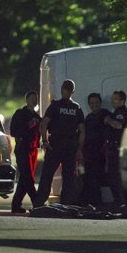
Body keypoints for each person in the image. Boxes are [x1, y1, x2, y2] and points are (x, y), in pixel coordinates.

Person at [34, 79, 85, 207]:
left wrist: (45, 141)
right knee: (65, 177)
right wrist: (79, 148)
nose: (66, 91)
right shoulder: (76, 108)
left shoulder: (57, 106)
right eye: (66, 89)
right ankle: (66, 204)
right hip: (66, 146)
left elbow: (44, 124)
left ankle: (40, 203)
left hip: (59, 145)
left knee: (51, 175)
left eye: (67, 89)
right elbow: (82, 131)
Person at [9, 91, 41, 213]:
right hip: (22, 149)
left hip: (33, 151)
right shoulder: (20, 114)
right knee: (28, 177)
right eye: (32, 98)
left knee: (25, 178)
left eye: (36, 99)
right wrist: (28, 125)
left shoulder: (37, 117)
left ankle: (16, 205)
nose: (35, 100)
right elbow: (13, 131)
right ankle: (37, 202)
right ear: (27, 100)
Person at [79, 92, 110, 206]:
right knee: (87, 178)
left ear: (100, 103)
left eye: (96, 102)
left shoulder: (105, 114)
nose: (94, 105)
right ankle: (88, 203)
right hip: (89, 153)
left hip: (100, 153)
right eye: (92, 103)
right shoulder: (89, 117)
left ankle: (96, 204)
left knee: (96, 179)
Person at [103, 90, 127, 206]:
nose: (113, 101)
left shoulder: (121, 112)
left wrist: (108, 120)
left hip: (117, 148)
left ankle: (119, 202)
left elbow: (118, 125)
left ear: (122, 101)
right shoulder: (118, 112)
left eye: (115, 99)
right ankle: (119, 201)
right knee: (114, 176)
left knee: (114, 176)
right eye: (112, 99)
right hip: (115, 147)